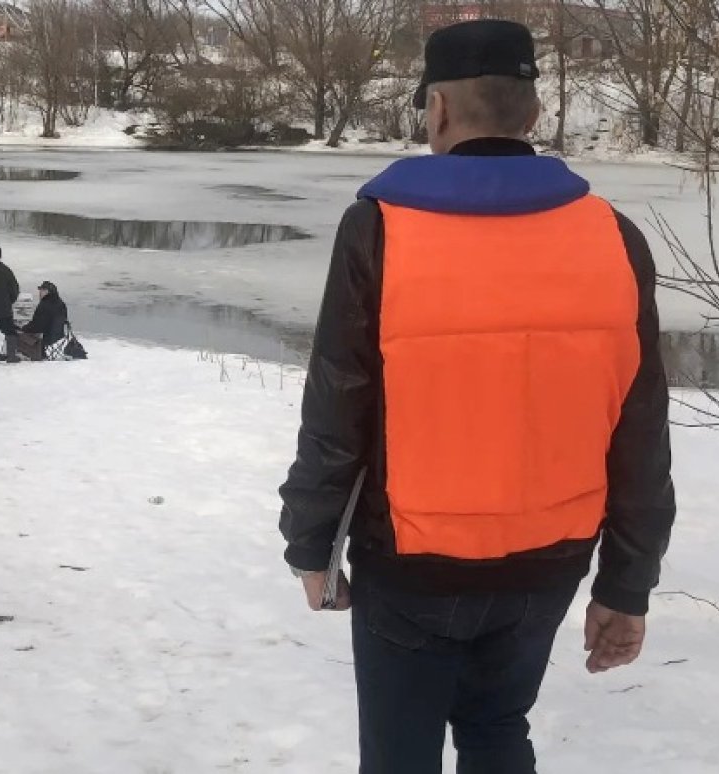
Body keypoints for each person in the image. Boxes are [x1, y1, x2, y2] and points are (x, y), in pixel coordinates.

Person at [277, 20, 675, 774]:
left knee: (400, 756)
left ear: (437, 112)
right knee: (497, 729)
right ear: (532, 115)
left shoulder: (379, 231)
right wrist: (627, 583)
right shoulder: (613, 237)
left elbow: (337, 405)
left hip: (413, 563)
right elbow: (641, 426)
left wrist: (310, 541)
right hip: (549, 561)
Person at [16, 280, 69, 361]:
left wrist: (23, 328)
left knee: (15, 335)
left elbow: (38, 326)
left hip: (45, 340)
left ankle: (18, 355)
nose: (40, 293)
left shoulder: (44, 304)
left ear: (48, 292)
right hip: (58, 339)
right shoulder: (61, 303)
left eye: (42, 290)